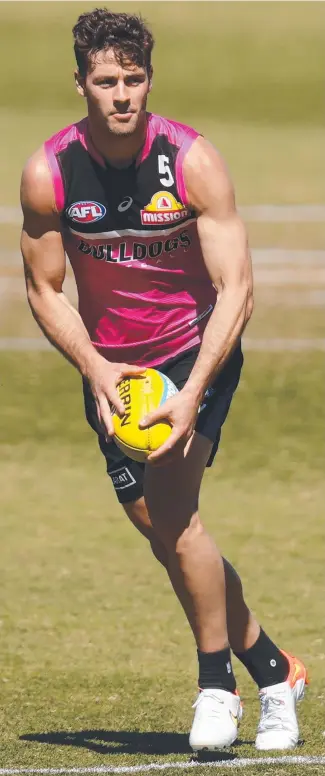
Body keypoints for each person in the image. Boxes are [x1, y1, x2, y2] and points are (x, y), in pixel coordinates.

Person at [20, 8, 308, 751]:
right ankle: (276, 670)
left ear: (150, 80)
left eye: (135, 79)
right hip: (114, 368)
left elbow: (237, 289)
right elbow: (45, 288)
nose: (122, 95)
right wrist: (93, 368)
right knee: (168, 538)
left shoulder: (191, 160)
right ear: (80, 82)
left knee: (177, 515)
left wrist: (191, 391)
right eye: (106, 80)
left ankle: (218, 687)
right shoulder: (50, 172)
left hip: (194, 350)